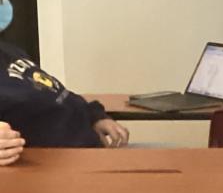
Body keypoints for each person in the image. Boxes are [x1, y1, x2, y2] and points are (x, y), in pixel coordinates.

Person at [0, 39, 131, 160]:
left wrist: (95, 116)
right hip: (55, 166)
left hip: (92, 151)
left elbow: (54, 92)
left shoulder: (9, 51)